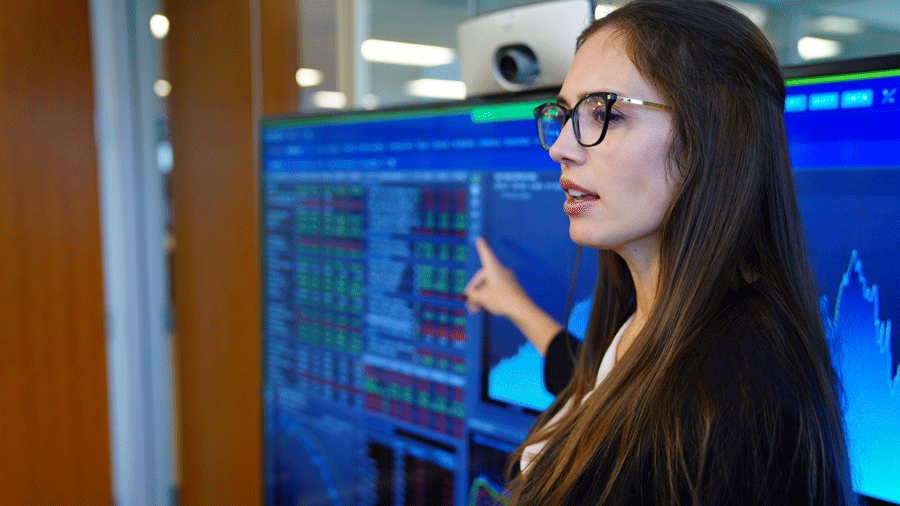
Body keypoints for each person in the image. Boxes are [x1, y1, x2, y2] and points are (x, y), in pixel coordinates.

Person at [463, 1, 854, 504]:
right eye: (564, 114)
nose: (561, 144)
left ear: (709, 140)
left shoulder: (736, 395)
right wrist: (514, 304)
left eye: (604, 112)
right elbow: (602, 387)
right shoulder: (650, 319)